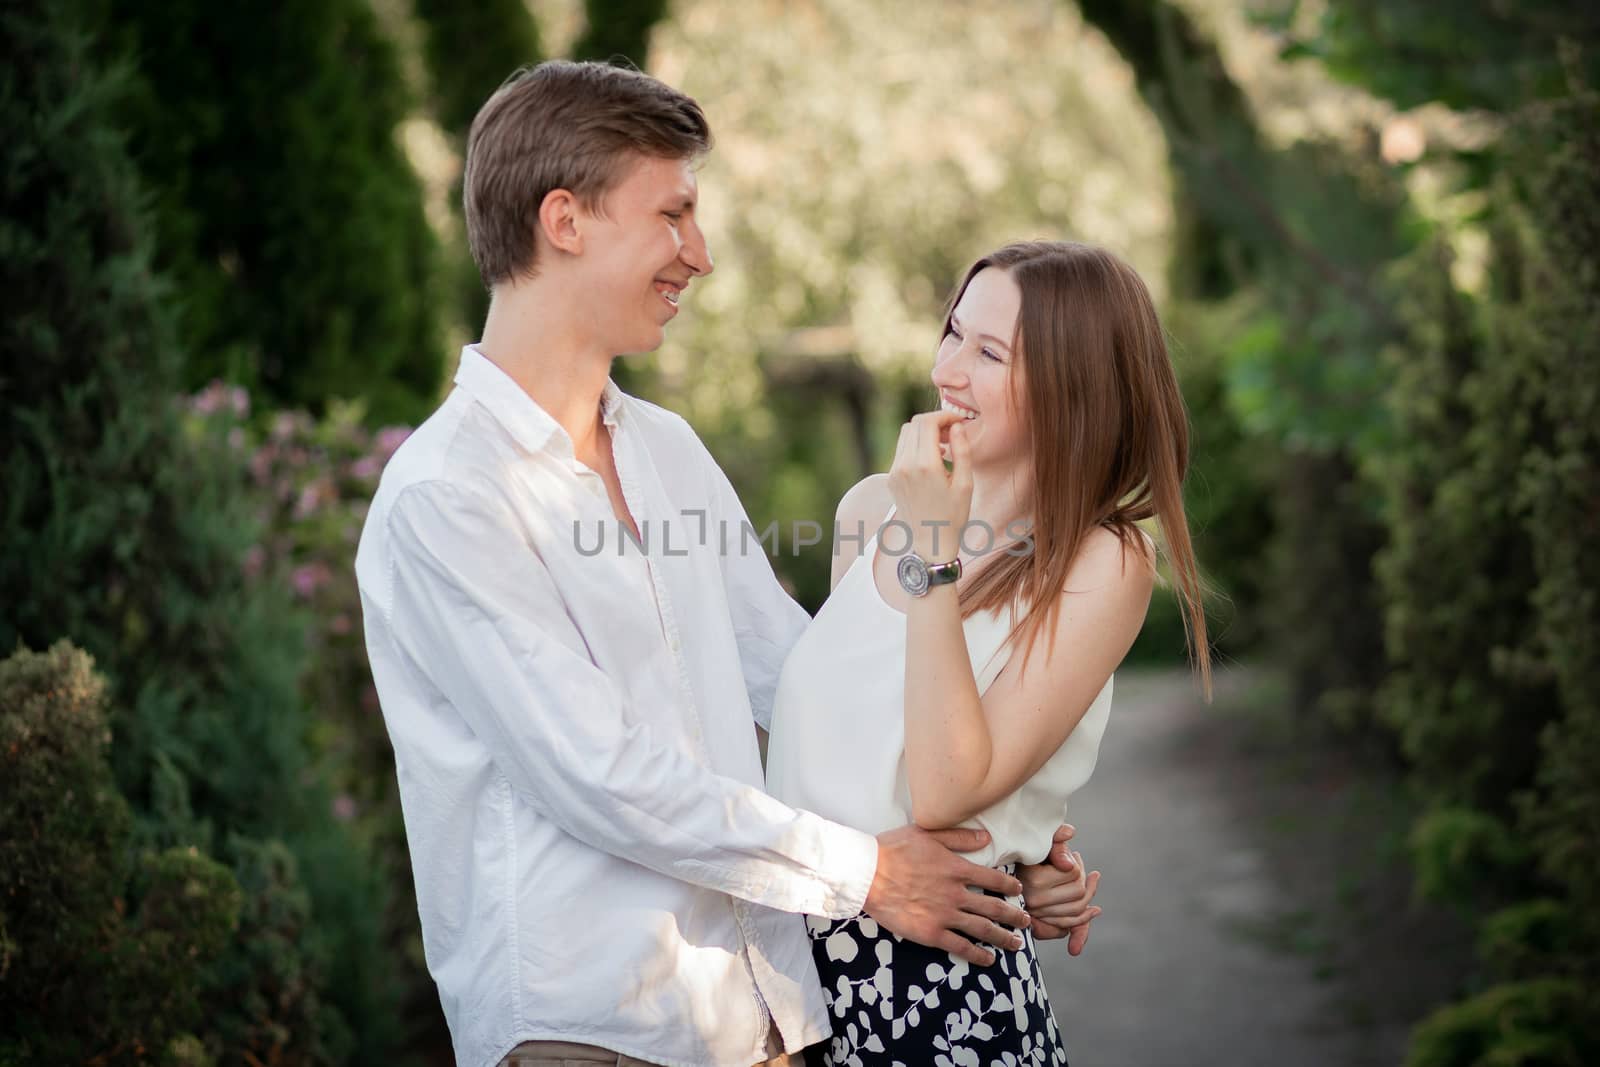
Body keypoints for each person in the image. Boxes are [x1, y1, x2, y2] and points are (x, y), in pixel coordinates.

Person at [355, 63, 1098, 1067]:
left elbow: (807, 683)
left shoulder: (665, 451)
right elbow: (600, 775)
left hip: (766, 1019)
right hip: (593, 1030)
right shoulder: (449, 496)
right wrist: (870, 873)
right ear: (564, 220)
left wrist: (1018, 838)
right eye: (673, 215)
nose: (698, 256)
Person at [766, 241, 1211, 1066]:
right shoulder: (869, 513)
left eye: (990, 352)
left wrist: (935, 545)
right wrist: (1039, 846)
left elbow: (943, 789)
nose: (948, 370)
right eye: (954, 333)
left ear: (1069, 385)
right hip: (796, 985)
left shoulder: (1100, 559)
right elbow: (839, 748)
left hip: (937, 995)